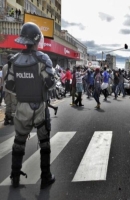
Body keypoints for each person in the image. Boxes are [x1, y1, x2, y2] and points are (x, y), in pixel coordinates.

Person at [5, 22, 56, 189]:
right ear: (36, 40)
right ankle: (46, 176)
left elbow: (10, 87)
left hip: (21, 107)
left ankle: (15, 176)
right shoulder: (42, 59)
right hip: (39, 107)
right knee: (44, 142)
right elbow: (50, 84)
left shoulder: (14, 60)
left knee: (19, 142)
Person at [2, 54, 18, 125]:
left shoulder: (4, 66)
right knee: (13, 103)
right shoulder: (15, 66)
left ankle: (6, 118)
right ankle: (12, 119)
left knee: (7, 103)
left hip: (6, 88)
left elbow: (3, 78)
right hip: (13, 89)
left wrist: (3, 87)